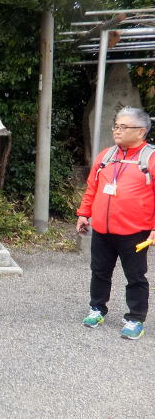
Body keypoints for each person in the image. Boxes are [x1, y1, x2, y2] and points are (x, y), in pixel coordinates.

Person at [76, 107, 155, 340]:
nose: (116, 131)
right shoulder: (106, 156)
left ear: (141, 131)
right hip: (102, 228)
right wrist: (84, 213)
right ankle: (97, 308)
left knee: (136, 276)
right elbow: (92, 186)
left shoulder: (150, 158)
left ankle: (135, 318)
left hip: (135, 231)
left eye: (123, 127)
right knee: (99, 272)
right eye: (116, 126)